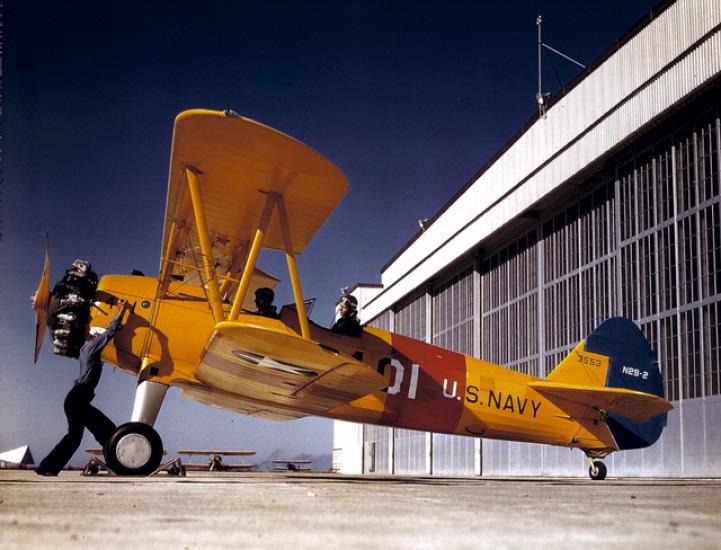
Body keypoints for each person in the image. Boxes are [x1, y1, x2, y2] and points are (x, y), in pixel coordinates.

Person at [36, 300, 128, 476]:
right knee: (98, 432)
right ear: (95, 337)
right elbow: (110, 332)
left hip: (78, 399)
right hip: (78, 398)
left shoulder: (86, 349)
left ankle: (47, 467)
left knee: (95, 433)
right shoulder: (92, 347)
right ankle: (47, 467)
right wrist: (121, 310)